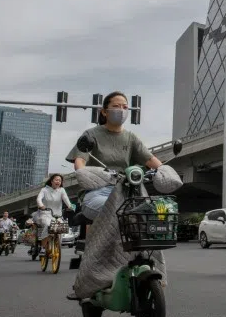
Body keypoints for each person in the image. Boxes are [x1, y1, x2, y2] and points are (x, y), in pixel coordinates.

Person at [66, 91, 162, 224]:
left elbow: (150, 160)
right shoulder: (91, 134)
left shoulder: (131, 137)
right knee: (117, 209)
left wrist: (165, 171)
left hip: (126, 191)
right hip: (97, 191)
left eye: (125, 107)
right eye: (116, 106)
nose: (121, 110)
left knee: (155, 209)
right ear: (104, 112)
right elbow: (80, 161)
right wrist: (85, 173)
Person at [36, 174, 73, 254]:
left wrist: (70, 206)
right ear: (52, 181)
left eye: (60, 180)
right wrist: (41, 205)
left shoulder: (62, 190)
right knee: (48, 225)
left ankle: (57, 244)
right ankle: (43, 247)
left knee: (62, 227)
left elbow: (66, 199)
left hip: (57, 215)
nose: (58, 182)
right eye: (56, 180)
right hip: (46, 214)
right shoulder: (44, 190)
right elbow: (39, 199)